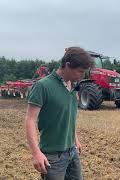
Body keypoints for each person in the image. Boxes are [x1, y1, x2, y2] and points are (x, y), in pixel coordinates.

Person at [25, 47, 94, 179]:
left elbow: (68, 116)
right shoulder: (43, 86)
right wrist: (36, 153)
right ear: (67, 65)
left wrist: (75, 139)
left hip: (72, 152)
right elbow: (30, 120)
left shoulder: (73, 87)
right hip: (53, 156)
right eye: (80, 71)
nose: (82, 75)